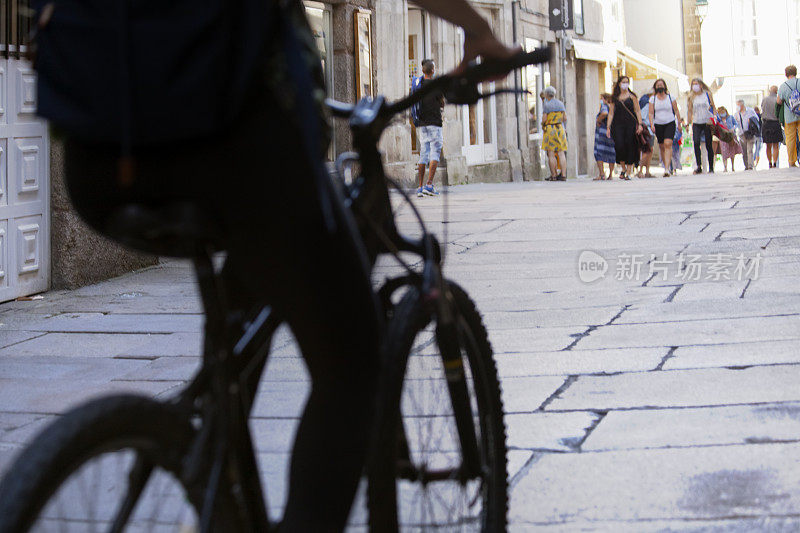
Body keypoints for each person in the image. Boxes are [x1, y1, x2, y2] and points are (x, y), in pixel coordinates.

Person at [52, 1, 519, 530]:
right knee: (354, 363)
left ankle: (213, 465)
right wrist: (478, 28)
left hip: (97, 158)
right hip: (234, 139)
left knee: (258, 278)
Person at [415, 58, 444, 197]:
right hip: (434, 123)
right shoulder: (436, 85)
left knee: (423, 153)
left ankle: (420, 187)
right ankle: (429, 184)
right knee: (435, 152)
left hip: (422, 124)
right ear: (432, 70)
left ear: (422, 70)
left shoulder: (418, 85)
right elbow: (442, 102)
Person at [606, 75, 643, 180]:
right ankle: (623, 168)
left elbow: (637, 110)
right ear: (619, 83)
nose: (625, 84)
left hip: (630, 124)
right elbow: (611, 113)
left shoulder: (632, 97)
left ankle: (628, 171)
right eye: (623, 82)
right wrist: (608, 126)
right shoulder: (615, 98)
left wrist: (640, 124)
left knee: (630, 145)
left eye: (627, 82)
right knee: (619, 146)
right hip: (617, 125)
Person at [648, 79, 682, 177]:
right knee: (662, 146)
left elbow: (676, 110)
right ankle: (666, 165)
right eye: (658, 85)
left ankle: (667, 169)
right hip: (658, 124)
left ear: (665, 86)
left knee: (668, 143)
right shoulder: (652, 99)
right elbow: (650, 113)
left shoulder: (671, 97)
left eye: (661, 85)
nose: (660, 87)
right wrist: (651, 124)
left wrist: (679, 123)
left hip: (670, 122)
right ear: (655, 87)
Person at [687, 77, 716, 174]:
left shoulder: (707, 94)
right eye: (693, 84)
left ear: (701, 85)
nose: (695, 86)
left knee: (708, 144)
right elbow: (690, 111)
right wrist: (688, 123)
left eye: (696, 83)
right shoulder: (691, 97)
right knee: (696, 142)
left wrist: (715, 117)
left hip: (707, 121)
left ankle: (711, 167)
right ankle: (698, 166)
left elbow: (713, 106)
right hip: (696, 122)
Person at [542, 86, 568, 181]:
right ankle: (563, 175)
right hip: (560, 128)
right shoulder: (561, 104)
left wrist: (543, 125)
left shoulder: (547, 105)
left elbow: (544, 119)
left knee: (551, 153)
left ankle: (553, 175)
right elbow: (565, 118)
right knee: (561, 153)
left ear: (546, 95)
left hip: (550, 129)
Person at [778, 65, 800, 167]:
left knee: (790, 139)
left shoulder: (783, 86)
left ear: (786, 74)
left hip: (789, 115)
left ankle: (792, 161)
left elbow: (779, 101)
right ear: (795, 72)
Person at [594, 93, 616, 180]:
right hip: (611, 132)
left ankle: (602, 173)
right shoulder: (613, 107)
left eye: (601, 98)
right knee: (611, 152)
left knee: (598, 152)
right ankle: (610, 174)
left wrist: (598, 120)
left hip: (602, 132)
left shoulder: (604, 106)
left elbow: (604, 113)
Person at [761, 85, 783, 168]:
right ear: (777, 91)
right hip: (775, 123)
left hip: (766, 123)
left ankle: (769, 162)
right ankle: (775, 162)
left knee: (768, 145)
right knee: (776, 145)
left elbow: (762, 109)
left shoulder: (764, 99)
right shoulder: (777, 100)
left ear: (770, 91)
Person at [735, 99, 760, 170]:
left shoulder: (750, 111)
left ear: (742, 105)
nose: (737, 107)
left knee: (750, 150)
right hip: (742, 134)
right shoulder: (736, 114)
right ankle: (746, 165)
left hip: (750, 133)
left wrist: (751, 121)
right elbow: (735, 124)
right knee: (744, 151)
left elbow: (756, 119)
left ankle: (750, 165)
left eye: (738, 105)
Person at [715, 106, 741, 172]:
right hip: (723, 137)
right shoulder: (718, 120)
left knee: (732, 151)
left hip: (731, 135)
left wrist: (733, 128)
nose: (723, 114)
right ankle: (725, 167)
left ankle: (732, 166)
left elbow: (736, 124)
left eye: (723, 112)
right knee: (724, 152)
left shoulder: (730, 117)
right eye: (721, 112)